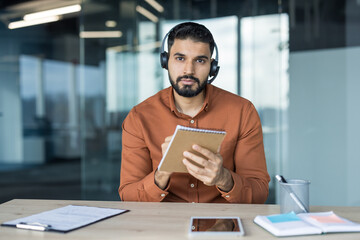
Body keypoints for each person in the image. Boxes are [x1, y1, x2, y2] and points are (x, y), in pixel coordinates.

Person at [119, 22, 270, 203]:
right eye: (180, 58)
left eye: (200, 60)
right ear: (165, 61)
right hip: (164, 227)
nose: (189, 70)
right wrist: (162, 173)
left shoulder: (243, 112)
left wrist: (224, 178)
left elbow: (259, 193)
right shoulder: (139, 118)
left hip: (224, 224)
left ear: (212, 67)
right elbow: (128, 196)